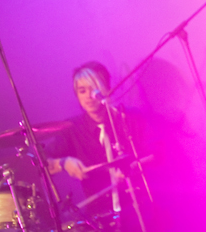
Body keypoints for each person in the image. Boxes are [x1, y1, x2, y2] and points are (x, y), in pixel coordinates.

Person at [47, 61, 149, 231]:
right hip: (98, 220)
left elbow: (157, 152)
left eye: (94, 89)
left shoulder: (130, 118)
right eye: (82, 91)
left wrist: (133, 167)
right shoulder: (72, 128)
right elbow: (40, 162)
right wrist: (63, 163)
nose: (88, 96)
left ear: (107, 89)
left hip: (138, 210)